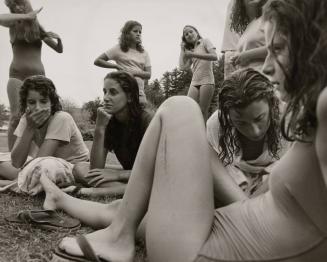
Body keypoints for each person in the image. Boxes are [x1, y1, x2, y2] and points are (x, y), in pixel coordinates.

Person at [50, 0, 327, 261]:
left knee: (180, 107)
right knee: (133, 209)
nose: (265, 65)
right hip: (233, 221)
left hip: (202, 251)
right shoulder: (311, 112)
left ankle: (117, 235)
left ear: (313, 45)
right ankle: (63, 199)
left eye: (277, 49)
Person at [207, 68, 287, 197]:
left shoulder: (288, 120)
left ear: (272, 104)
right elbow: (215, 168)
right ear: (228, 117)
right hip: (233, 186)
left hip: (279, 184)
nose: (254, 132)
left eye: (259, 118)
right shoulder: (217, 125)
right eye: (241, 123)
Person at [72, 71, 153, 197]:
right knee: (80, 167)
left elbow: (153, 169)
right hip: (131, 174)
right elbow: (95, 169)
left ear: (130, 97)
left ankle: (105, 191)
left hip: (149, 175)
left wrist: (117, 175)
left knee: (150, 180)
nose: (105, 97)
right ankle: (128, 191)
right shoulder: (109, 120)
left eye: (113, 92)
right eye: (105, 91)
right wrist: (100, 128)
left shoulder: (147, 120)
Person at [0, 75, 89, 181]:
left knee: (35, 172)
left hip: (74, 168)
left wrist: (30, 128)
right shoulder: (26, 119)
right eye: (32, 102)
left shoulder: (61, 118)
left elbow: (38, 165)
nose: (38, 108)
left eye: (43, 101)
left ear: (52, 103)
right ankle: (19, 179)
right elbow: (16, 162)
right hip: (44, 165)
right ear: (25, 104)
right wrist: (29, 128)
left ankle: (10, 182)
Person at [1, 0, 63, 151]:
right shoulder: (13, 24)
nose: (17, 7)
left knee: (40, 116)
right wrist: (27, 16)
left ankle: (36, 155)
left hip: (38, 78)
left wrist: (59, 40)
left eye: (19, 4)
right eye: (13, 6)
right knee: (16, 117)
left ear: (26, 4)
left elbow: (58, 49)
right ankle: (12, 155)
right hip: (17, 76)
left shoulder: (37, 29)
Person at [94, 20, 151, 104]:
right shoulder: (118, 49)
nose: (138, 34)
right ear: (127, 33)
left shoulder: (144, 53)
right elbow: (98, 61)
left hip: (140, 93)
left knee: (144, 115)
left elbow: (148, 74)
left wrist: (133, 72)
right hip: (123, 93)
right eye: (135, 31)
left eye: (140, 32)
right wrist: (116, 66)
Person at [179, 25, 218, 120]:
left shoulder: (205, 42)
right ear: (185, 39)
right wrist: (182, 50)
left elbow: (214, 56)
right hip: (195, 81)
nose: (189, 35)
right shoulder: (191, 50)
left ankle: (204, 134)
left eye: (191, 31)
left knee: (202, 110)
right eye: (186, 34)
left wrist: (193, 54)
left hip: (207, 80)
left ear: (196, 32)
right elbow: (182, 67)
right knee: (189, 108)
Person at [230, 0, 268, 71]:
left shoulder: (269, 18)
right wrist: (236, 60)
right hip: (247, 79)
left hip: (264, 78)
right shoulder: (248, 27)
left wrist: (246, 55)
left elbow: (281, 48)